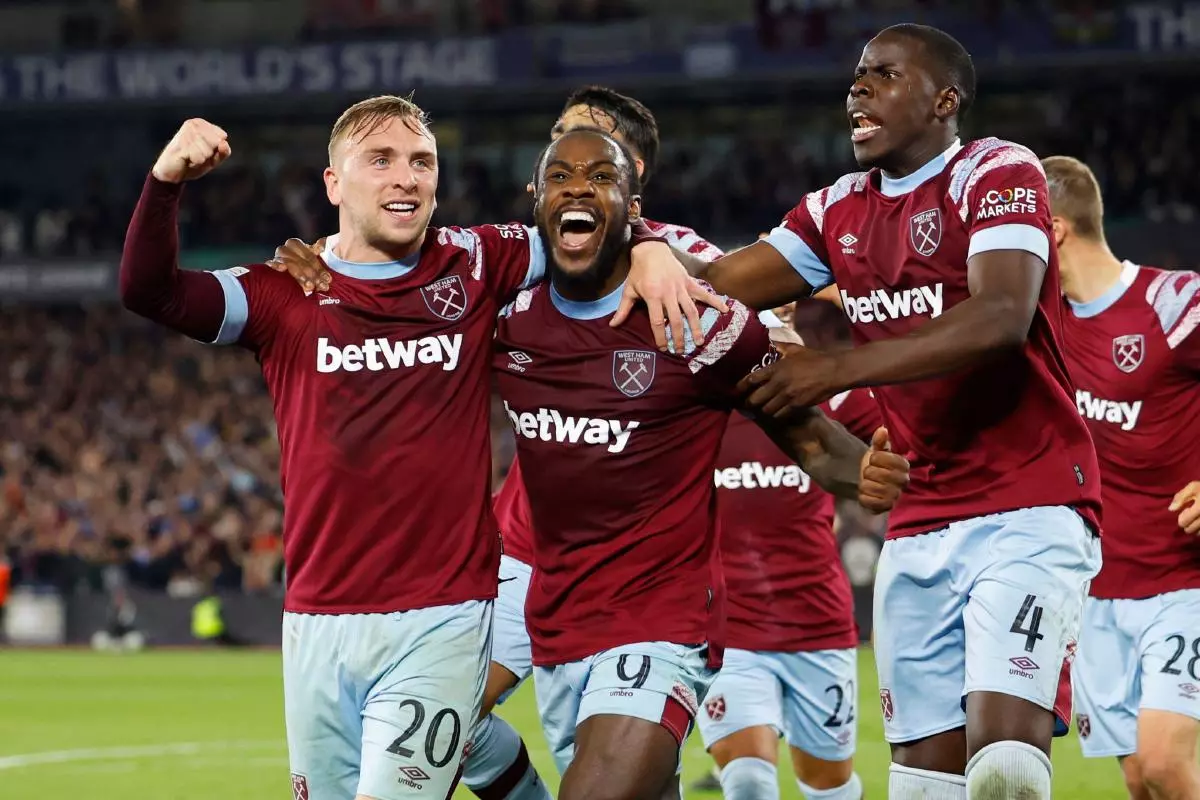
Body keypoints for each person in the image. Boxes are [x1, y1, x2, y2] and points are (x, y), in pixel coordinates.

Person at [118, 96, 708, 800]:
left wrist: (644, 247)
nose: (406, 178)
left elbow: (588, 227)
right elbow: (148, 291)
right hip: (316, 619)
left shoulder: (480, 259)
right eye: (382, 160)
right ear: (334, 184)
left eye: (421, 161)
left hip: (442, 614)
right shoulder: (284, 292)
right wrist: (165, 183)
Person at [642, 23, 1104, 799]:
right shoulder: (837, 210)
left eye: (884, 75)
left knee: (1006, 771)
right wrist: (651, 248)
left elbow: (1000, 317)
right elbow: (719, 282)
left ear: (943, 100)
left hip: (1030, 504)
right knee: (924, 786)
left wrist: (836, 369)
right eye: (857, 75)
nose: (858, 88)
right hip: (919, 523)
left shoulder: (995, 171)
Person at [494, 127, 909, 800]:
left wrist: (860, 472)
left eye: (601, 176)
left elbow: (807, 437)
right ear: (535, 199)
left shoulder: (698, 322)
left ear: (634, 208)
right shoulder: (506, 317)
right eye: (561, 175)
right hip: (558, 622)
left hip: (662, 625)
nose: (577, 186)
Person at [474, 85, 730, 800]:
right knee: (442, 715)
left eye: (586, 146)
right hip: (523, 549)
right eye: (557, 143)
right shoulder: (528, 250)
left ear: (631, 172)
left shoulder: (675, 253)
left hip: (633, 570)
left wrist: (651, 248)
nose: (565, 163)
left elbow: (747, 298)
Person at [1044, 155, 1200, 799]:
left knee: (1165, 763)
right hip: (1094, 598)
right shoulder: (1040, 323)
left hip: (1183, 580)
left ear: (1051, 231)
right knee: (1140, 781)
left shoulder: (1175, 302)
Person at [696, 302, 880, 800]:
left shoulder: (829, 398)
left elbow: (908, 400)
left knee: (830, 789)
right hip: (729, 633)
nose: (772, 316)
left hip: (816, 624)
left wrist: (854, 295)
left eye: (784, 302)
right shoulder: (698, 406)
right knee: (750, 783)